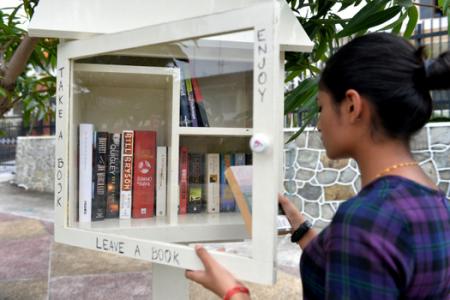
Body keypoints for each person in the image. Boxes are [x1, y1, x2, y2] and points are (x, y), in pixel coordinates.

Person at [185, 33, 450, 299]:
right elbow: (361, 270)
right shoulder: (436, 202)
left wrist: (234, 292)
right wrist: (301, 230)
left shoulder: (367, 219)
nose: (318, 124)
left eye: (321, 107)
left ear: (352, 106)